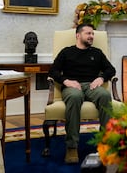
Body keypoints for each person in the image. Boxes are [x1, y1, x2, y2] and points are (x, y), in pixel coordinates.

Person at [48, 23, 116, 164]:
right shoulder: (66, 52)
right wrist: (66, 81)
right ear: (78, 35)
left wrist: (101, 77)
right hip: (72, 86)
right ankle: (72, 146)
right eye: (88, 33)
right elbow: (53, 71)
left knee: (104, 95)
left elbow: (111, 69)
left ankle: (106, 142)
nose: (91, 36)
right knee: (74, 97)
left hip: (92, 86)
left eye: (92, 34)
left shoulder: (97, 53)